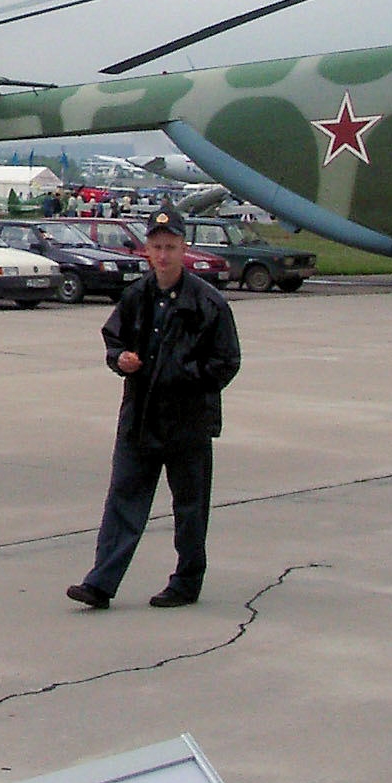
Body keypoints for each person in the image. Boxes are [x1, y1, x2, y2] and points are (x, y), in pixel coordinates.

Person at [67, 206, 240, 611]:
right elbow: (114, 338)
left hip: (187, 422)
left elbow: (227, 361)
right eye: (157, 247)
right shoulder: (136, 296)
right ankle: (101, 582)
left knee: (190, 506)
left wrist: (185, 375)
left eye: (171, 247)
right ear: (147, 250)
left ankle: (187, 580)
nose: (163, 256)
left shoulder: (208, 303)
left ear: (184, 249)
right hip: (140, 418)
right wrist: (119, 358)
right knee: (123, 500)